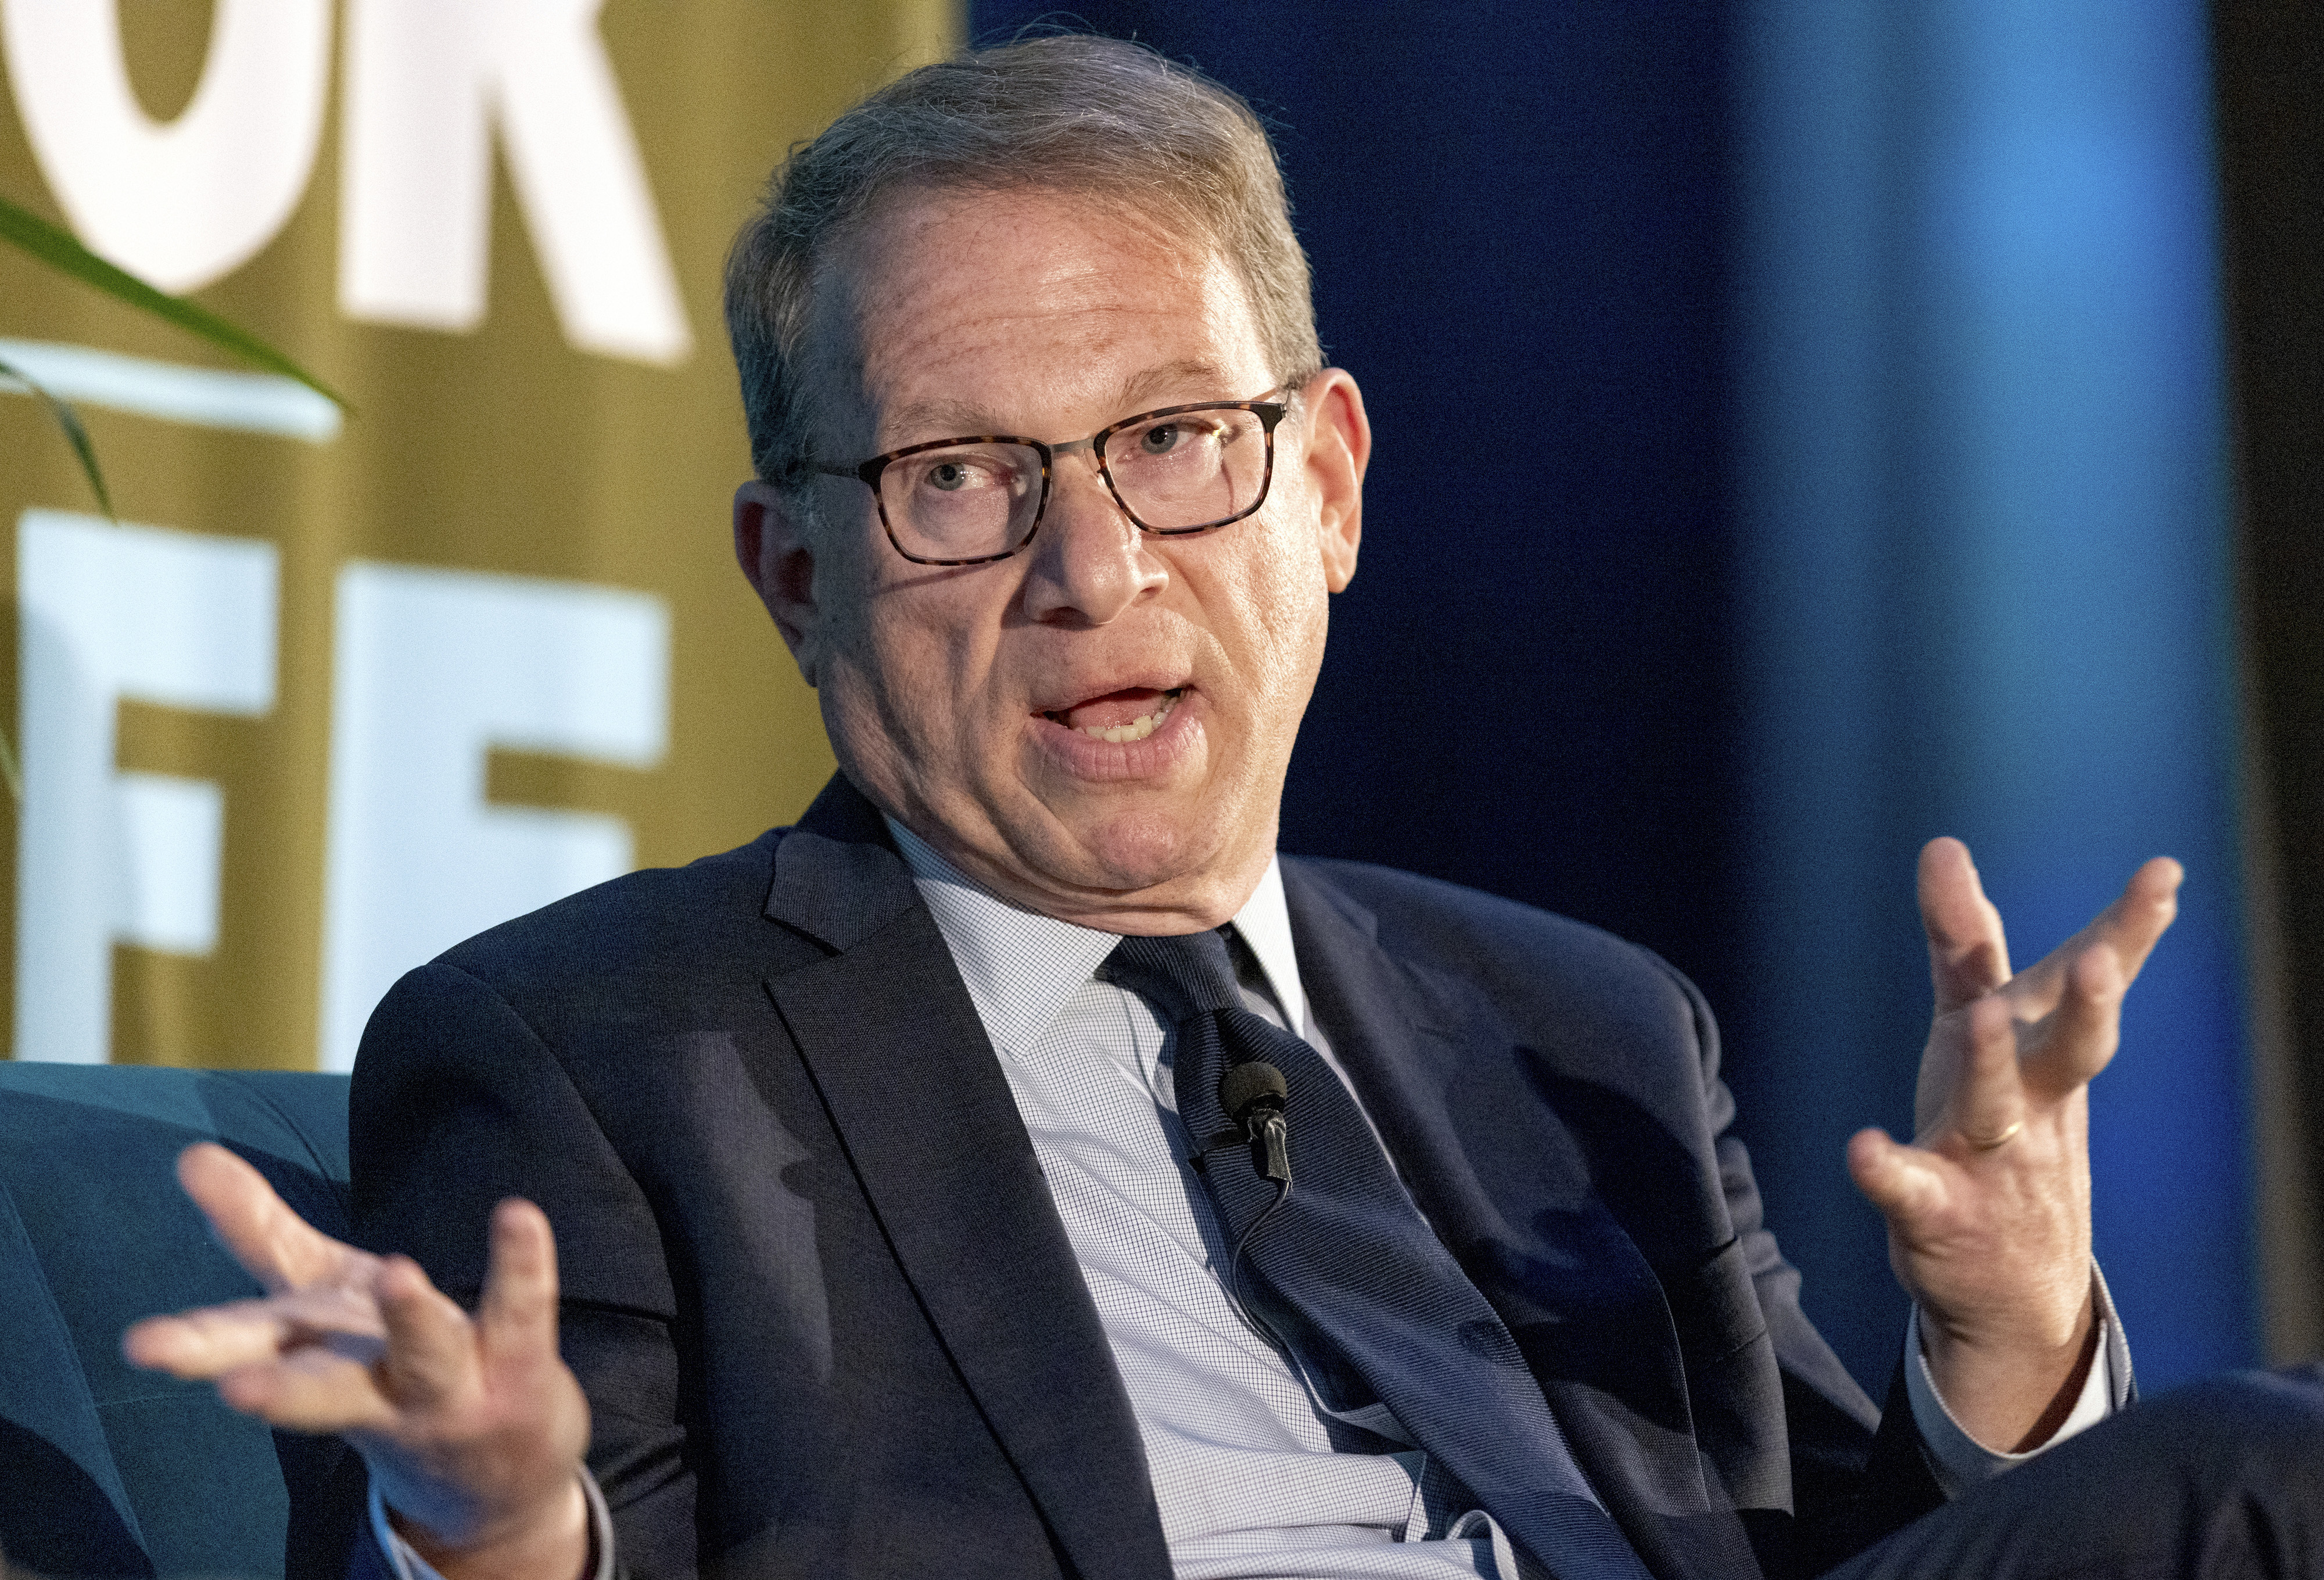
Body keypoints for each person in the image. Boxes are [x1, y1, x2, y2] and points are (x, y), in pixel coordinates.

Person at [125, 34, 2318, 1580]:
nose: (1095, 573)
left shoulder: (1581, 1028)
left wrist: (2015, 1347)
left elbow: (1830, 1555)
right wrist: (505, 1536)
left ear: (1333, 485)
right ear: (798, 574)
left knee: (2257, 1474)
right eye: (960, 480)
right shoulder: (596, 1051)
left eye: (1178, 439)